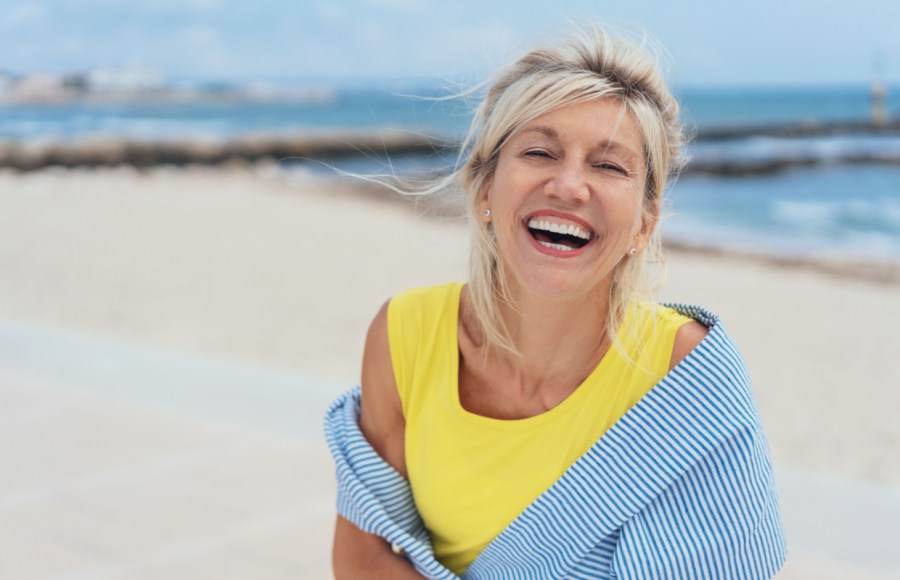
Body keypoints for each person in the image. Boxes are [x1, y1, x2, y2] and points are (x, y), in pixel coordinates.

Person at [325, 24, 786, 579]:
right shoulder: (405, 333)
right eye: (540, 151)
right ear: (483, 186)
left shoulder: (685, 373)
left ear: (646, 220)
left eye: (609, 165)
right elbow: (364, 552)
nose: (569, 186)